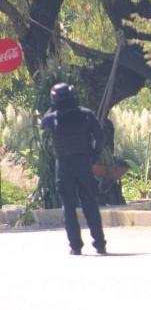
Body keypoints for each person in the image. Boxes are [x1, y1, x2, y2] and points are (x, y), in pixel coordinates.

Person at [41, 83, 107, 255]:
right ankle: (99, 243)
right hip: (84, 163)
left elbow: (43, 123)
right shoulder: (86, 114)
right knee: (90, 204)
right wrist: (94, 156)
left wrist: (53, 105)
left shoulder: (52, 118)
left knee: (68, 208)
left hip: (64, 166)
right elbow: (100, 138)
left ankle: (75, 246)